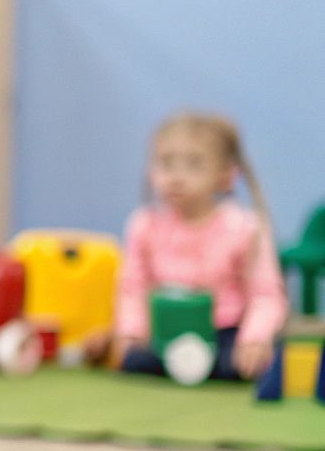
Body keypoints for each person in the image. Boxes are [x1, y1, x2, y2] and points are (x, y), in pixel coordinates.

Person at [113, 112, 288, 397]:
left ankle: (206, 366)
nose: (176, 177)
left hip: (221, 333)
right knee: (134, 360)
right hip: (165, 332)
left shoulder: (244, 227)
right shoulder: (144, 224)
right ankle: (178, 366)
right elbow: (133, 287)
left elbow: (265, 293)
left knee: (238, 364)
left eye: (194, 165)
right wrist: (130, 333)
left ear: (226, 176)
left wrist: (255, 339)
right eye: (166, 163)